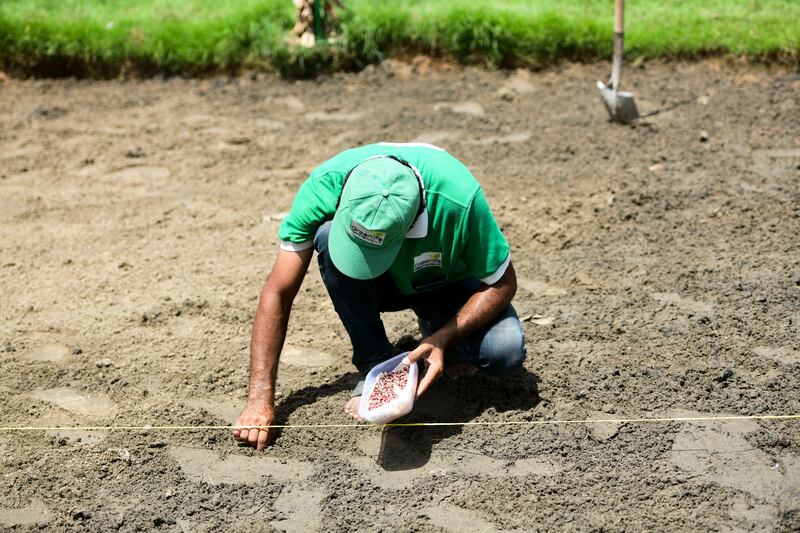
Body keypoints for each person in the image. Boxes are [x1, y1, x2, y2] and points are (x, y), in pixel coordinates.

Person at [233, 143, 526, 450]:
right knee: (326, 236)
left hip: (446, 279)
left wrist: (444, 337)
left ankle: (437, 326)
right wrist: (259, 400)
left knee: (503, 352)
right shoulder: (325, 185)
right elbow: (278, 292)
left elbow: (503, 282)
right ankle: (375, 361)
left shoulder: (458, 197)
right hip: (383, 286)